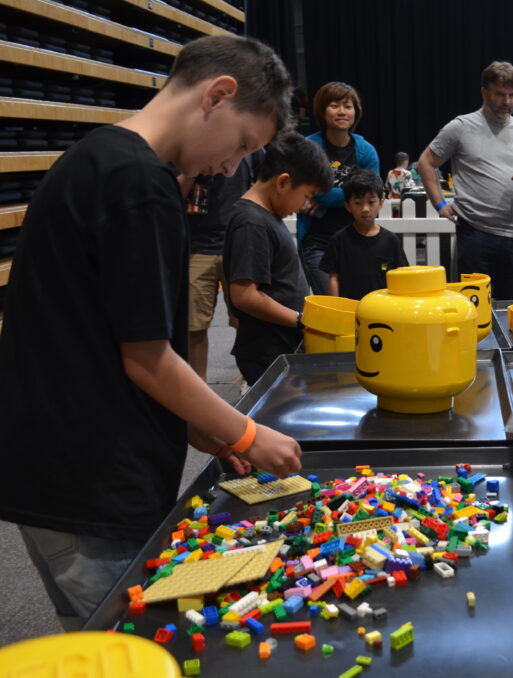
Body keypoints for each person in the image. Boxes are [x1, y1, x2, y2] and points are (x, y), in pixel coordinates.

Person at [0, 35, 304, 628]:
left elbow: (111, 329)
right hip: (89, 481)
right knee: (133, 644)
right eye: (243, 144)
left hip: (66, 465)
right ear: (218, 95)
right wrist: (244, 433)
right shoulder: (139, 182)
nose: (230, 168)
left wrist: (196, 422)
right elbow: (147, 357)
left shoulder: (101, 159)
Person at [418, 61, 513, 300]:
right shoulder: (461, 126)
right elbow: (426, 162)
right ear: (484, 92)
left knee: (511, 308)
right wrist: (439, 204)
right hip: (475, 233)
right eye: (500, 94)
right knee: (474, 312)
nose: (507, 101)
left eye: (512, 94)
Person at [224, 131, 332, 386]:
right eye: (306, 196)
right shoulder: (253, 223)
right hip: (266, 352)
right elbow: (245, 295)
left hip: (278, 348)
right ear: (283, 182)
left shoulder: (266, 217)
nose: (305, 205)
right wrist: (300, 320)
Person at [185, 148, 264, 381]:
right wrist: (194, 167)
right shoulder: (193, 144)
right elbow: (171, 192)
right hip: (196, 245)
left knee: (246, 321)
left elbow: (266, 184)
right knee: (194, 326)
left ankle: (250, 380)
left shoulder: (250, 145)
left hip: (238, 243)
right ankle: (198, 391)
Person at [296, 81, 380, 295]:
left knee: (361, 304)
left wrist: (321, 198)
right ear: (322, 111)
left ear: (356, 112)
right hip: (317, 242)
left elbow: (373, 194)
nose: (342, 111)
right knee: (332, 309)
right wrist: (352, 197)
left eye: (348, 106)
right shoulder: (308, 147)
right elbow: (303, 186)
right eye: (334, 105)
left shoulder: (365, 150)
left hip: (358, 240)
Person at [320, 169, 409, 299]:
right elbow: (334, 278)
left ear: (381, 201)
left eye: (371, 202)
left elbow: (401, 277)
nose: (365, 209)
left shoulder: (391, 240)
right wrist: (337, 308)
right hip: (350, 311)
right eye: (358, 203)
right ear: (348, 206)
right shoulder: (339, 240)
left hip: (383, 311)